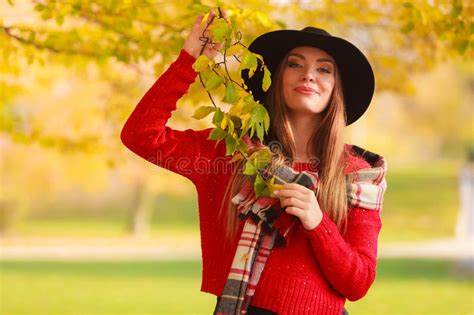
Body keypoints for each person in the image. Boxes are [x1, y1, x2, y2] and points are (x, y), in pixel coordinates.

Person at [121, 10, 387, 315]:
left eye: (324, 69)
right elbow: (141, 135)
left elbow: (358, 283)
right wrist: (191, 59)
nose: (309, 74)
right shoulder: (232, 153)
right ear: (276, 77)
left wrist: (317, 221)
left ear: (336, 89)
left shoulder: (358, 174)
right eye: (295, 64)